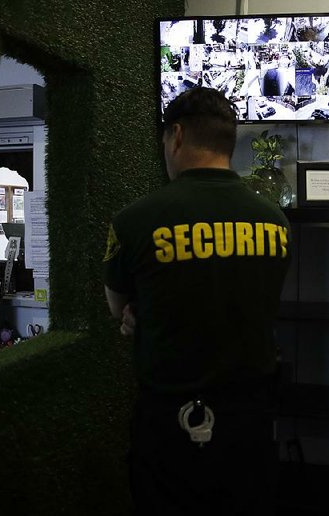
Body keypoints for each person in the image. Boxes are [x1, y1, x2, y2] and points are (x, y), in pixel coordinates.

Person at [103, 87, 291, 516]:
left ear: (177, 136)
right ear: (230, 141)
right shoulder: (275, 221)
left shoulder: (133, 221)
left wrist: (140, 312)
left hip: (170, 424)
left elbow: (118, 308)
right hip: (251, 423)